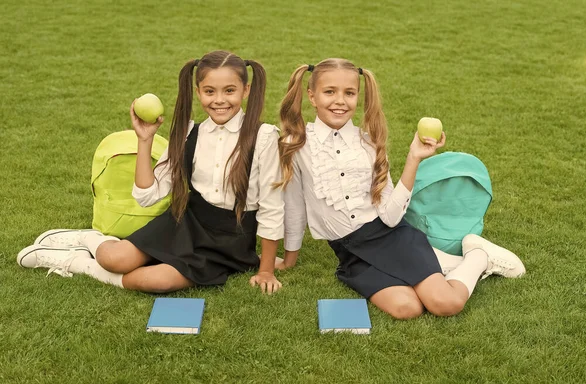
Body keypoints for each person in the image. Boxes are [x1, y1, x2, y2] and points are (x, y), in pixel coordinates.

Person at [17, 50, 284, 295]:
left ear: (246, 90)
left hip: (229, 243)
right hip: (187, 223)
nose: (219, 100)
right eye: (210, 91)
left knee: (156, 281)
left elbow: (271, 207)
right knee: (114, 259)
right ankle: (88, 238)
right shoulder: (189, 133)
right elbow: (147, 195)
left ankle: (78, 263)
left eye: (229, 90)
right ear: (198, 91)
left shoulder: (264, 137)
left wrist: (266, 270)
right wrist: (144, 140)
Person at [276, 58, 525, 318]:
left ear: (358, 97)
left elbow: (391, 216)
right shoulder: (296, 143)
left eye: (349, 93)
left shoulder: (367, 143)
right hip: (349, 252)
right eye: (330, 92)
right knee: (408, 309)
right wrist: (289, 259)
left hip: (390, 237)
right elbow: (294, 205)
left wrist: (414, 157)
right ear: (312, 96)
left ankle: (479, 257)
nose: (340, 101)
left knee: (445, 304)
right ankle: (441, 262)